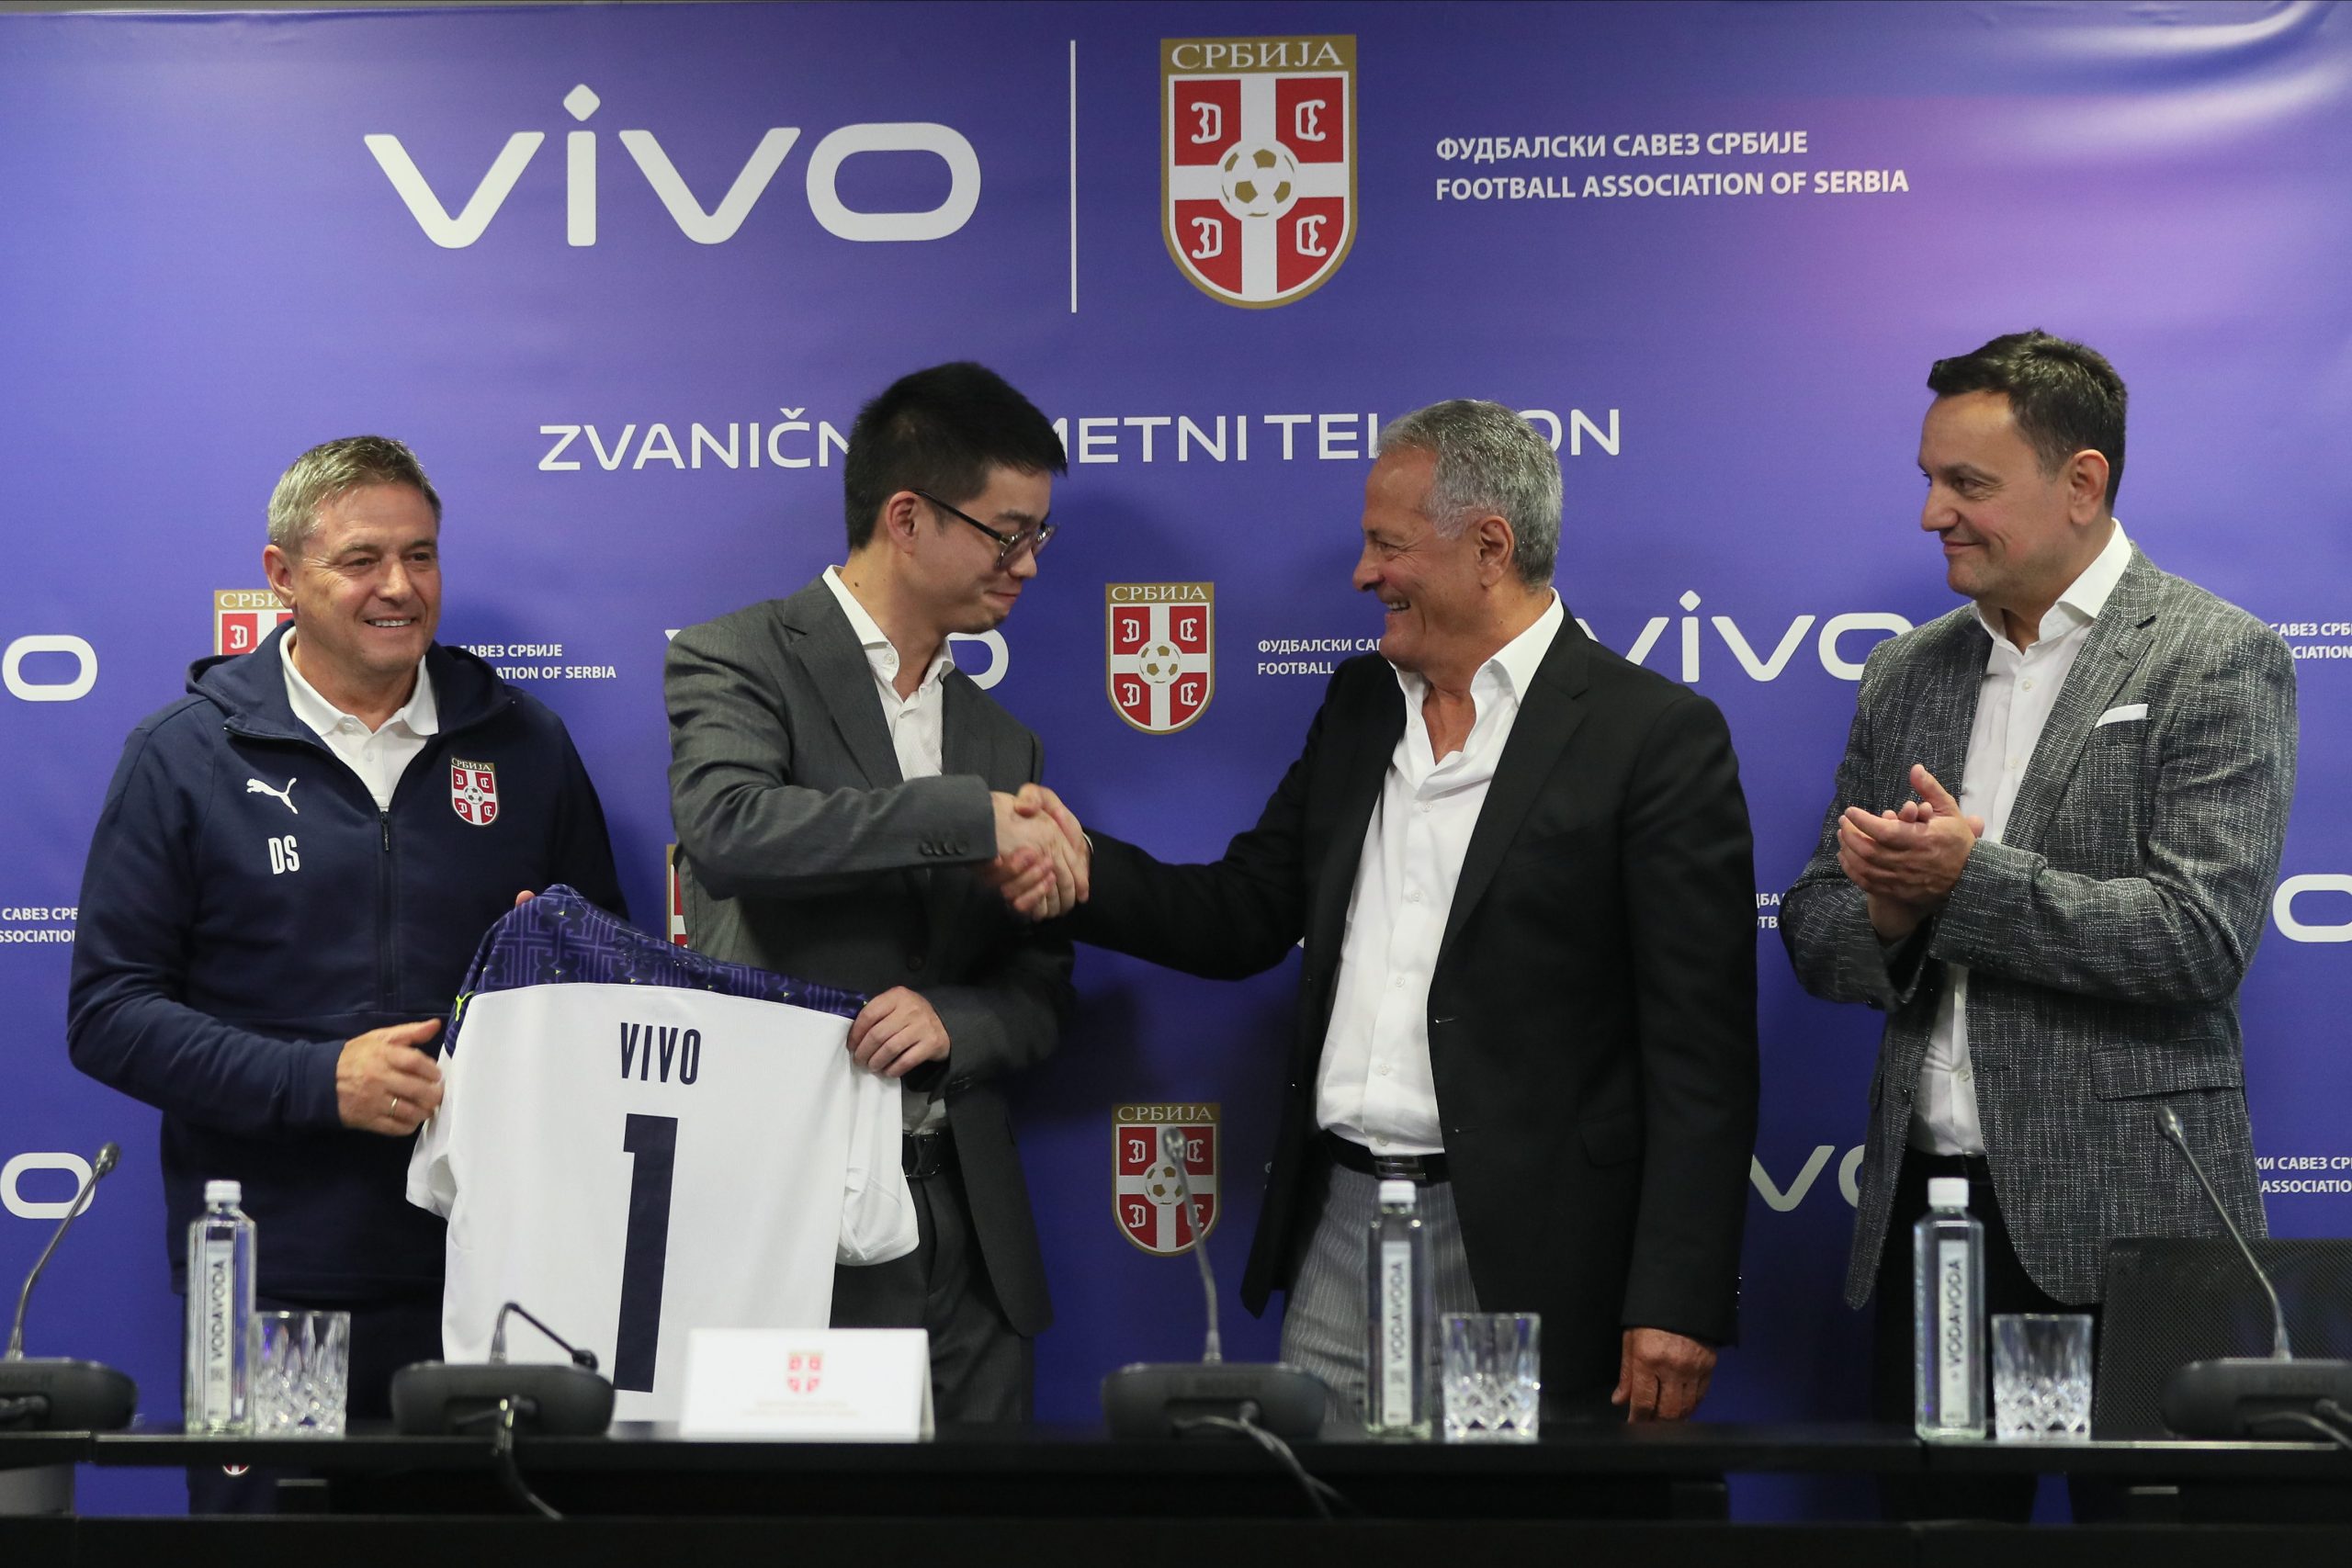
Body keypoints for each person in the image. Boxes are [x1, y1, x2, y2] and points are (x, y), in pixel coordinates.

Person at [1020, 399, 1758, 1423]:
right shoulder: (1361, 704)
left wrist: (1676, 1296)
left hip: (1529, 1249)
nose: (1365, 574)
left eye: (1387, 544)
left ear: (1489, 548)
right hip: (1340, 1227)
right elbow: (1244, 911)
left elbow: (1701, 1052)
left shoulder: (1652, 737)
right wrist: (1073, 867)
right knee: (1325, 1508)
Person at [1781, 331, 2296, 1509]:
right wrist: (1890, 915)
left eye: (1966, 483)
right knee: (1940, 1538)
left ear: (2081, 482)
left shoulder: (2217, 657)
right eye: (1928, 479)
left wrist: (1963, 885)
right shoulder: (1906, 672)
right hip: (1929, 1218)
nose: (1932, 515)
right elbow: (1814, 925)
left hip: (2137, 1227)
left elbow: (2197, 939)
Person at [67, 435, 626, 1500]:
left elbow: (609, 988)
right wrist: (318, 1081)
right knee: (277, 1547)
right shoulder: (185, 755)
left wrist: (555, 962)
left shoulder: (526, 745)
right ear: (282, 577)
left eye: (421, 556)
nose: (400, 587)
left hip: (493, 1275)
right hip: (274, 1282)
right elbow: (109, 1013)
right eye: (362, 560)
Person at [665, 361, 1080, 1423]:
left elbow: (1038, 989)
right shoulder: (739, 658)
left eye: (1038, 535)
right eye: (1007, 534)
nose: (1029, 564)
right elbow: (730, 831)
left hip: (969, 1235)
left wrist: (956, 1021)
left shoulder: (1003, 739)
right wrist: (966, 817)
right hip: (790, 1220)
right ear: (907, 517)